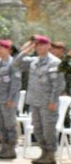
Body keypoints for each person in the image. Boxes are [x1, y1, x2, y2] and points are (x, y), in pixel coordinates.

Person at [13, 36, 65, 164]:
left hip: (48, 102)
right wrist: (26, 50)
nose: (39, 48)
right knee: (38, 129)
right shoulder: (33, 61)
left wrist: (53, 101)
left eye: (42, 45)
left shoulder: (55, 62)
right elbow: (16, 63)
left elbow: (58, 84)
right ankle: (44, 152)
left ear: (49, 47)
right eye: (37, 46)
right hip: (35, 101)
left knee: (48, 130)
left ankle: (50, 155)